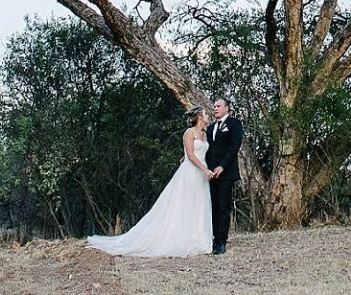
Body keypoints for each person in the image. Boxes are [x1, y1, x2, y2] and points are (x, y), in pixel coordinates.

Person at [87, 107, 213, 257]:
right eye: (206, 114)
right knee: (185, 203)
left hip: (201, 173)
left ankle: (198, 239)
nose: (208, 116)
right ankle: (180, 239)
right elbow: (191, 155)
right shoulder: (189, 133)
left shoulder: (204, 134)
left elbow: (197, 153)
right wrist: (204, 169)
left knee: (199, 203)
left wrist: (202, 167)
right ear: (199, 117)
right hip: (191, 172)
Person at [205, 96, 244, 254]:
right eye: (214, 106)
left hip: (227, 173)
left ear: (226, 108)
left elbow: (234, 147)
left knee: (223, 207)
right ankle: (214, 239)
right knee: (213, 206)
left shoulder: (234, 124)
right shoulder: (210, 128)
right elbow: (206, 149)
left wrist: (222, 166)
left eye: (218, 106)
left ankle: (221, 241)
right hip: (211, 174)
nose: (215, 108)